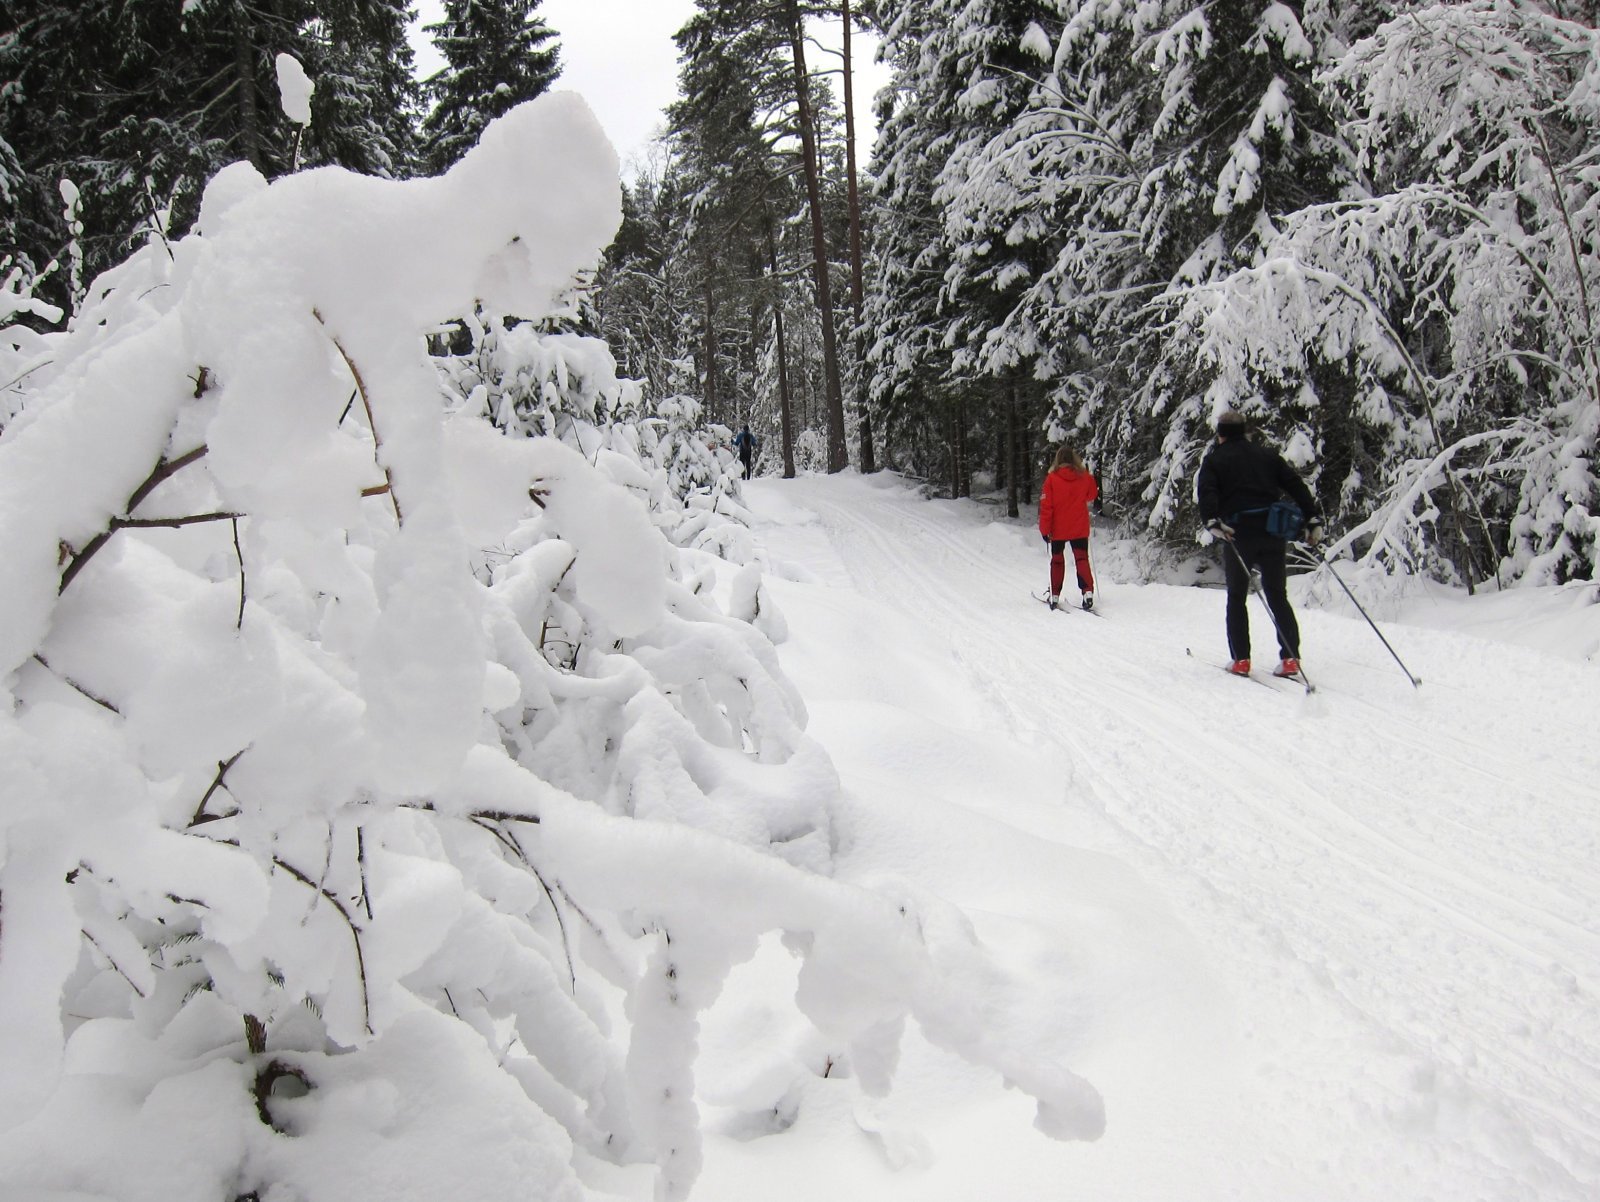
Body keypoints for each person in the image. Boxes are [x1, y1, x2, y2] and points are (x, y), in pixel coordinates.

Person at [1195, 409, 1325, 677]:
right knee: (1277, 594)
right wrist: (1312, 518)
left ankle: (1241, 659)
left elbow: (1207, 491)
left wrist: (1211, 521)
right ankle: (1290, 658)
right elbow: (1295, 485)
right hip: (1271, 530)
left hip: (1237, 532)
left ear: (1220, 435)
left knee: (1237, 596)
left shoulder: (1215, 460)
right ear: (1244, 431)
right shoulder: (1266, 455)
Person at [1038, 444, 1099, 610]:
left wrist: (1044, 529)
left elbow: (1046, 507)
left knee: (1057, 561)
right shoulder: (1083, 476)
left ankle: (1055, 594)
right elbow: (1092, 494)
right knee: (1081, 559)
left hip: (1057, 529)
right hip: (1078, 526)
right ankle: (1087, 592)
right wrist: (1087, 475)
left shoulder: (1051, 479)